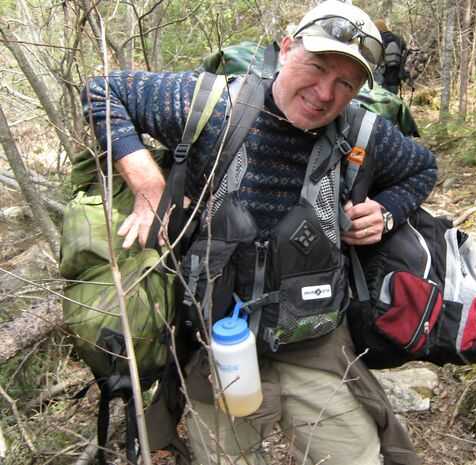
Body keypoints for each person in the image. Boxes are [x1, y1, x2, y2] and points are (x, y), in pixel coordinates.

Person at [82, 1, 437, 464]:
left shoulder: (361, 132)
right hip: (217, 339)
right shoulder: (212, 107)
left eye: (345, 83)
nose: (324, 93)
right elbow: (103, 90)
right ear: (286, 48)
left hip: (314, 338)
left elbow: (422, 169)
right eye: (317, 66)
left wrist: (387, 212)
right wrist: (149, 186)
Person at [374, 18, 408, 94]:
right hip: (395, 80)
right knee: (392, 99)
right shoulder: (399, 39)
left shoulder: (378, 39)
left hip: (380, 79)